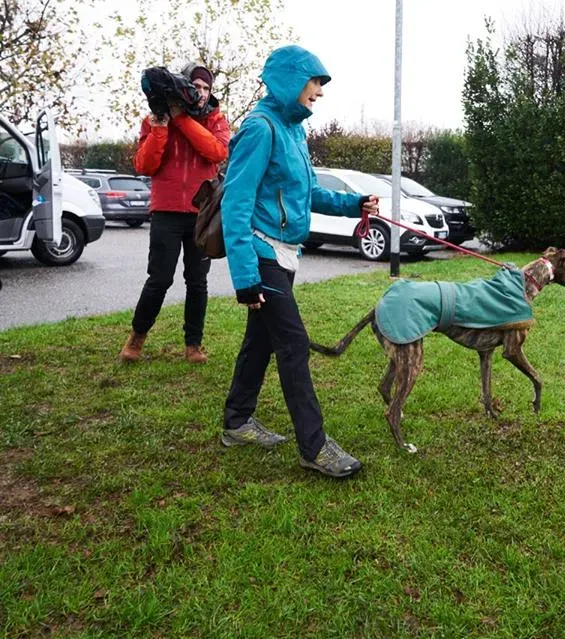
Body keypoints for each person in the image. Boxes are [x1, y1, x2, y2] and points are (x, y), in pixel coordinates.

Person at [219, 45, 379, 479]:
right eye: (315, 82)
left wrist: (355, 204)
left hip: (286, 256)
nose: (320, 92)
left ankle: (236, 422)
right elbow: (235, 203)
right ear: (290, 80)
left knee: (262, 342)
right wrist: (246, 275)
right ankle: (314, 446)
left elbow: (308, 193)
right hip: (262, 253)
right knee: (293, 344)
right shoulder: (259, 128)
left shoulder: (294, 132)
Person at [120, 62, 231, 364]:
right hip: (166, 211)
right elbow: (145, 166)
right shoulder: (154, 120)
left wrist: (182, 120)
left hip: (202, 212)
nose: (202, 92)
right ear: (184, 86)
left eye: (207, 87)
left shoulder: (216, 119)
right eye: (196, 85)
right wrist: (159, 128)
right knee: (159, 279)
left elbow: (217, 152)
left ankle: (193, 345)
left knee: (197, 281)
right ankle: (136, 337)